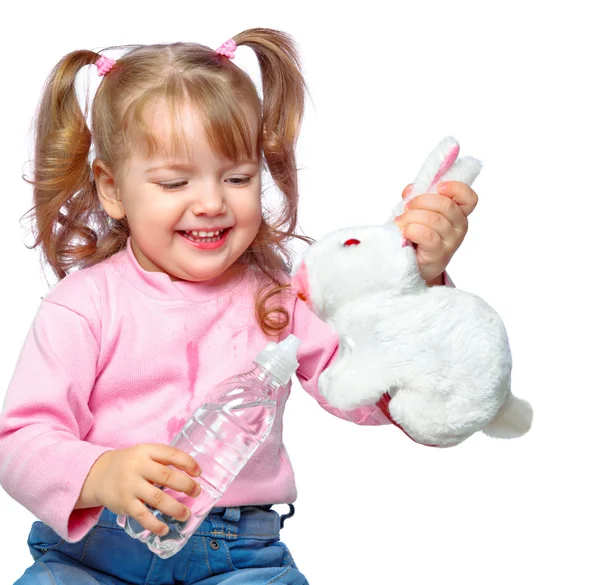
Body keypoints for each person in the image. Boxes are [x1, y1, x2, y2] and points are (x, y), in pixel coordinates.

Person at [0, 28, 479, 584]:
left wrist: (417, 282)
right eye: (175, 181)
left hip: (236, 559)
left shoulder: (276, 297)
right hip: (91, 552)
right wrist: (100, 472)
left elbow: (369, 390)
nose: (210, 202)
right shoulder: (83, 306)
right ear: (112, 188)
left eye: (236, 177)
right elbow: (21, 440)